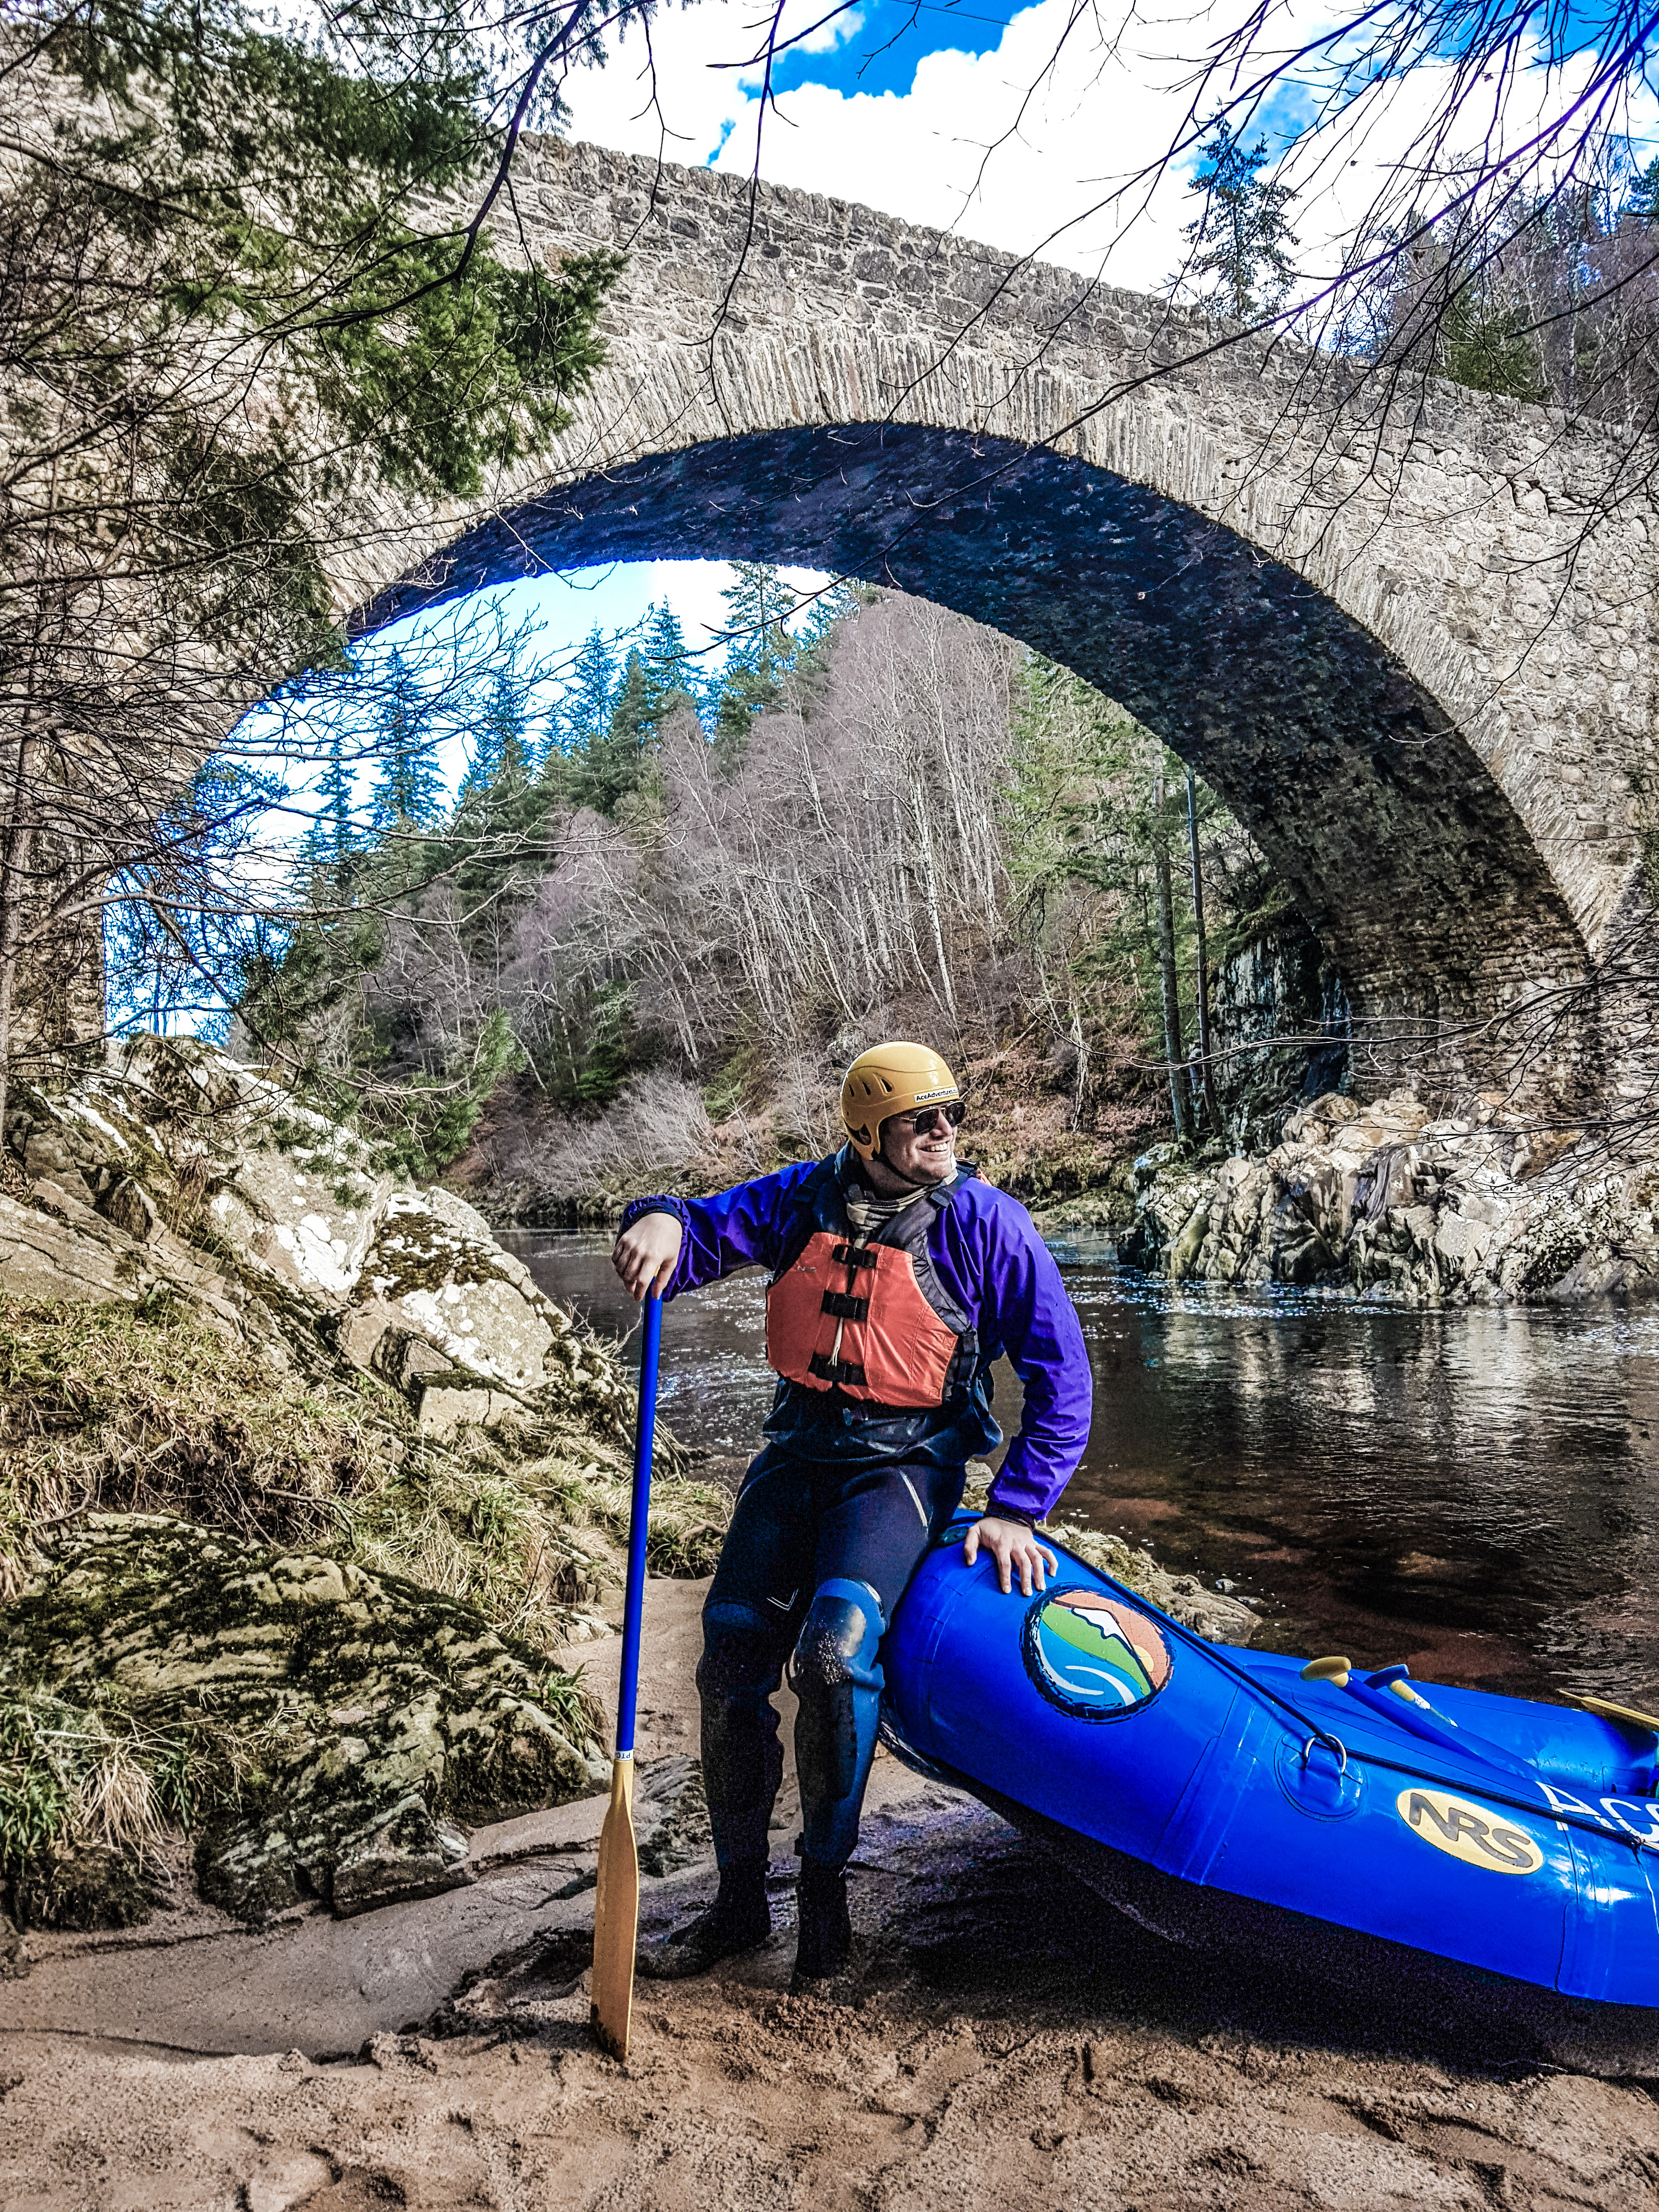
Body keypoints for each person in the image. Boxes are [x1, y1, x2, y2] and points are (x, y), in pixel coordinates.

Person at [611, 1040, 1092, 1986]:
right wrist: (659, 1219)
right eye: (923, 1119)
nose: (945, 1131)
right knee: (730, 1655)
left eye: (951, 1112)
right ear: (870, 1133)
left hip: (904, 1467)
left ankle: (823, 1902)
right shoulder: (801, 1198)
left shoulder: (988, 1224)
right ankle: (739, 1904)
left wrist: (1018, 1509)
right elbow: (697, 1232)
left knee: (833, 1656)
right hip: (797, 1455)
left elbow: (1062, 1377)